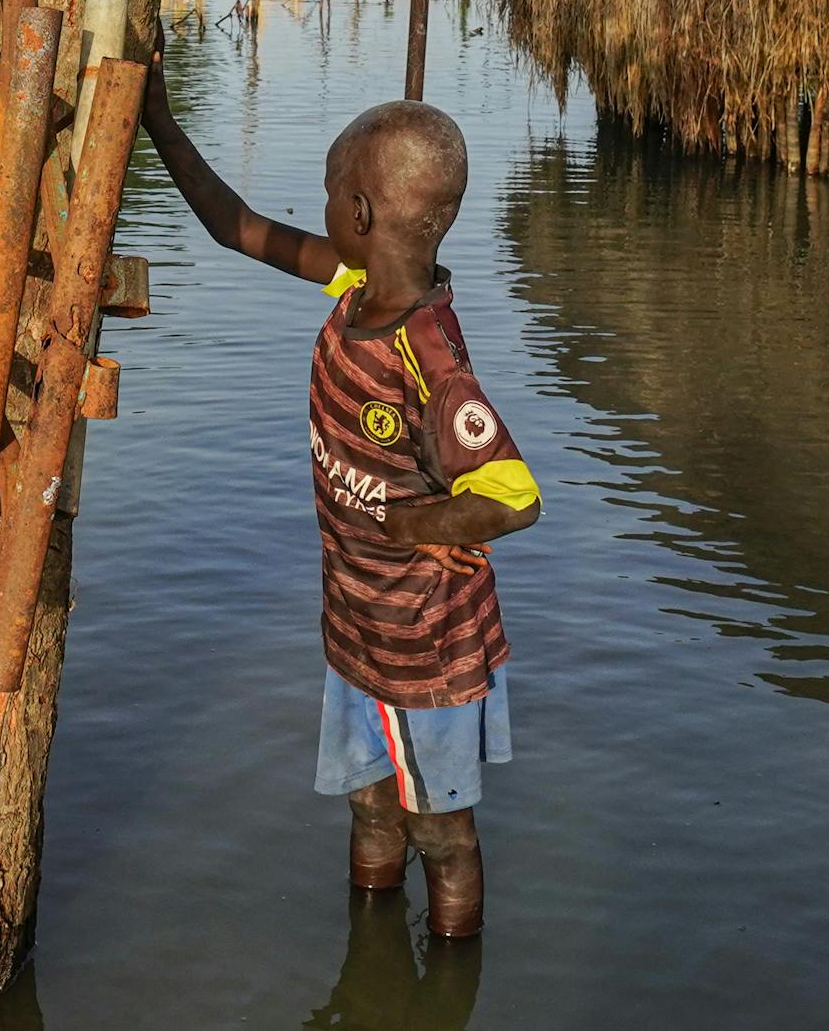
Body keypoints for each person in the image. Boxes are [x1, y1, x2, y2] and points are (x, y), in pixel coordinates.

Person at [139, 66, 541, 937]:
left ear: (359, 213)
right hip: (357, 630)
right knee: (369, 808)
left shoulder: (430, 356)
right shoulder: (354, 290)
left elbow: (511, 496)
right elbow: (237, 228)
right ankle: (370, 957)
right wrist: (160, 123)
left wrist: (408, 522)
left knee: (442, 831)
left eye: (328, 193)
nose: (317, 209)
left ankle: (448, 982)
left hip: (427, 649)